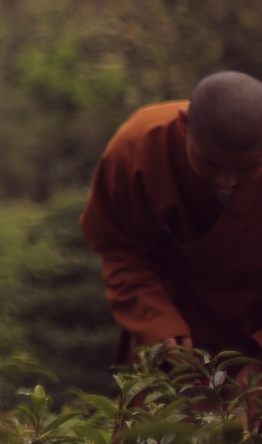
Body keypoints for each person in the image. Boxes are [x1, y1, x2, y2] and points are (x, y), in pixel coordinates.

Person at [80, 71, 262, 362]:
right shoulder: (138, 145)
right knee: (162, 406)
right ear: (184, 124)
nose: (226, 180)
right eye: (210, 163)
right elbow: (120, 249)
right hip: (173, 335)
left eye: (247, 168)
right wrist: (158, 324)